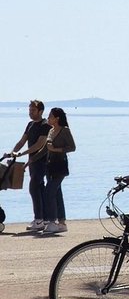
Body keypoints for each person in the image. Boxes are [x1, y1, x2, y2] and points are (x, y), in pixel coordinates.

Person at [9, 100, 49, 233]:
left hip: (42, 161)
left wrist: (22, 153)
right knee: (39, 188)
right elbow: (22, 140)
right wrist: (13, 152)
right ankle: (43, 218)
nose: (30, 113)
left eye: (33, 110)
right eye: (29, 110)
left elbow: (40, 144)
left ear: (40, 111)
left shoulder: (45, 125)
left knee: (34, 187)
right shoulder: (30, 124)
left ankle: (39, 219)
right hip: (32, 161)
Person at [40, 107, 76, 235]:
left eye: (50, 116)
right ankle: (61, 222)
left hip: (60, 166)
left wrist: (56, 149)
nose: (48, 118)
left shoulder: (65, 130)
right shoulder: (51, 130)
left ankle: (52, 221)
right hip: (50, 165)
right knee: (57, 193)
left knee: (49, 192)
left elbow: (72, 147)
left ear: (57, 118)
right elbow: (46, 148)